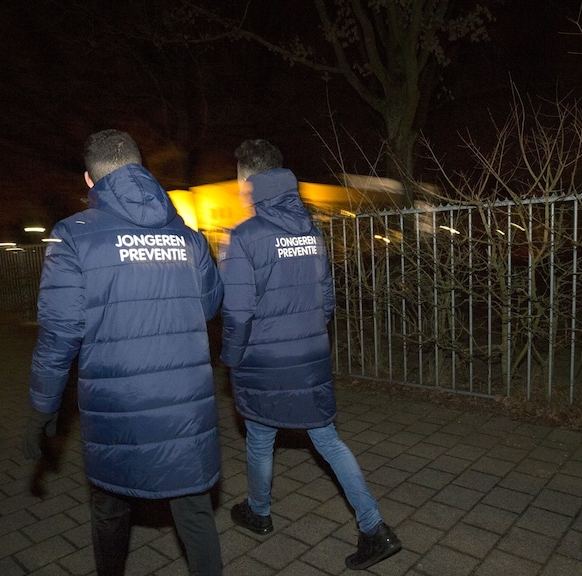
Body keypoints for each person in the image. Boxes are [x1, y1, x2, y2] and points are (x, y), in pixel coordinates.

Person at [23, 129, 225, 576]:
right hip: (184, 404)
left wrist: (43, 406)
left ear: (90, 181)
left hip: (118, 407)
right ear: (142, 170)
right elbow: (211, 304)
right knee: (193, 514)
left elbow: (59, 335)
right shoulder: (187, 235)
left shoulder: (72, 235)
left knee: (111, 510)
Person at [218, 139, 402, 570]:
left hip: (263, 360)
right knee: (327, 440)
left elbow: (238, 311)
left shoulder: (245, 237)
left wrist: (231, 358)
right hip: (310, 354)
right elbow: (326, 299)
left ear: (248, 180)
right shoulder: (310, 228)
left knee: (261, 438)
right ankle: (373, 527)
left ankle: (260, 513)